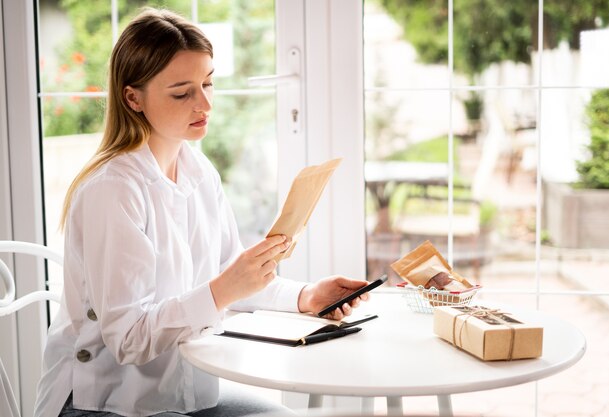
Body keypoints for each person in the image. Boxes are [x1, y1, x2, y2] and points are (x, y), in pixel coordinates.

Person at [34, 8, 369, 417]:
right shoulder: (114, 191)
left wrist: (306, 296)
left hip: (184, 395)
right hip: (108, 403)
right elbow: (129, 339)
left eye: (208, 83)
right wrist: (226, 287)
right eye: (182, 92)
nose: (205, 102)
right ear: (132, 97)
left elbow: (231, 278)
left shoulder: (198, 171)